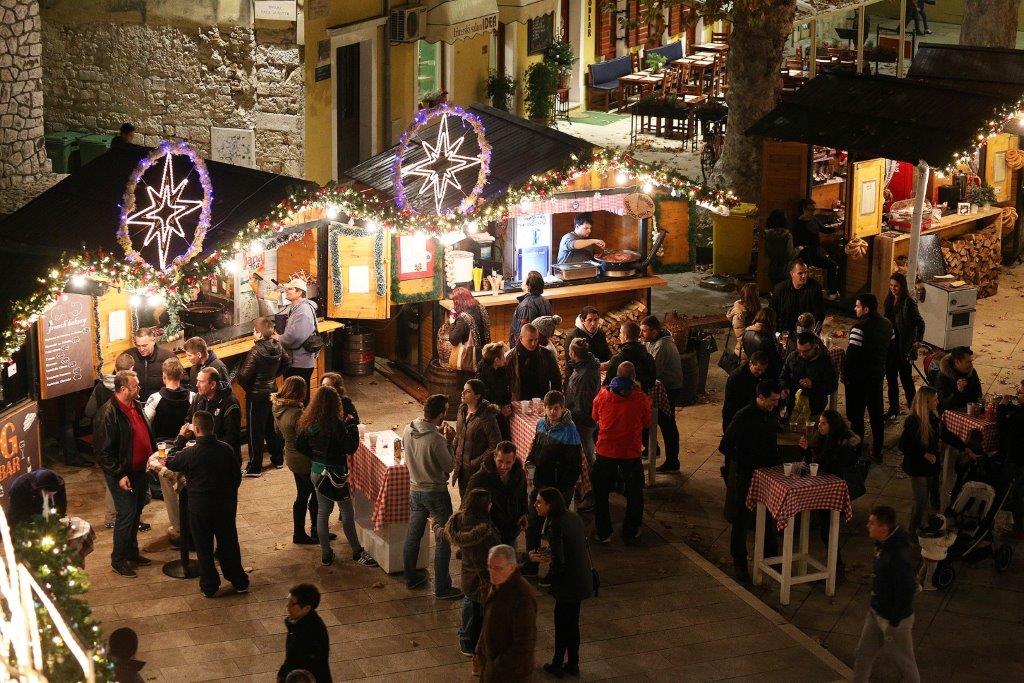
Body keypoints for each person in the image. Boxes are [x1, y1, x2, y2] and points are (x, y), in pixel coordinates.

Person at [165, 410, 248, 597]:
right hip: (225, 505)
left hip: (200, 506)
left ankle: (209, 586)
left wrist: (180, 439)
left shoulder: (190, 454)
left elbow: (170, 461)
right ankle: (239, 581)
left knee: (203, 546)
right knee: (229, 543)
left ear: (196, 429)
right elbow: (236, 477)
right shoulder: (226, 449)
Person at [296, 386, 375, 568]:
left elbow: (299, 444)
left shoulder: (309, 422)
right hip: (336, 474)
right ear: (335, 404)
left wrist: (315, 456)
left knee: (323, 512)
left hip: (317, 472)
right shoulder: (335, 423)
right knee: (347, 511)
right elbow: (350, 447)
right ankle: (357, 551)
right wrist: (352, 427)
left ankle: (326, 554)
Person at [720, 380, 782, 583]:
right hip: (746, 474)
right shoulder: (743, 416)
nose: (775, 404)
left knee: (769, 516)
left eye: (777, 400)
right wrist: (745, 461)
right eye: (772, 400)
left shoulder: (771, 413)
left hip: (767, 473)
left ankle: (771, 556)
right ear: (760, 397)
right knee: (742, 518)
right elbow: (725, 446)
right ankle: (739, 561)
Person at [528, 488, 593, 678]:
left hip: (567, 585)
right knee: (572, 624)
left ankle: (557, 664)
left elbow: (559, 560)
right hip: (581, 580)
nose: (535, 505)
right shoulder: (572, 517)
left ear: (550, 505)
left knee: (562, 625)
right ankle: (573, 663)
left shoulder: (555, 524)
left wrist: (549, 581)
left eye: (539, 502)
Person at [402, 394, 461, 599]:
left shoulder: (408, 428)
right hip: (436, 493)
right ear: (441, 415)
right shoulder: (436, 440)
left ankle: (410, 578)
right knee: (443, 538)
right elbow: (450, 465)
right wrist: (450, 442)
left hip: (415, 490)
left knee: (413, 535)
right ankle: (442, 588)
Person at [97, 370, 155, 577]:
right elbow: (104, 452)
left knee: (136, 511)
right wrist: (119, 474)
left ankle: (131, 552)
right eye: (135, 386)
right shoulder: (108, 413)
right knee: (127, 514)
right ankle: (118, 560)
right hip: (123, 474)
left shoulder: (135, 405)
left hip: (140, 470)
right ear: (123, 389)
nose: (139, 388)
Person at [853, 505, 919, 683]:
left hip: (894, 621)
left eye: (872, 523)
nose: (867, 525)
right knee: (862, 656)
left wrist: (894, 620)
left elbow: (907, 590)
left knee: (905, 665)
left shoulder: (898, 556)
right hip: (876, 612)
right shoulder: (882, 545)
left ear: (883, 528)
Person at [591, 362, 652, 545]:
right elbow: (647, 422)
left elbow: (594, 417)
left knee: (601, 493)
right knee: (635, 492)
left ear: (616, 375)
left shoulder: (603, 395)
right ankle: (631, 531)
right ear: (634, 377)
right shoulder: (641, 398)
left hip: (605, 450)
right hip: (630, 452)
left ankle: (603, 532)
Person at [524, 390, 582, 574]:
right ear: (544, 408)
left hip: (558, 490)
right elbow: (535, 447)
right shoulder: (541, 424)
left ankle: (556, 570)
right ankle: (531, 564)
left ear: (563, 408)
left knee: (556, 532)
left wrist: (560, 490)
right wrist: (530, 460)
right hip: (541, 484)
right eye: (549, 408)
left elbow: (574, 466)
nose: (552, 412)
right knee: (532, 524)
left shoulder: (570, 430)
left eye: (556, 408)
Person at [799, 410, 860, 575]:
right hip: (824, 488)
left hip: (835, 490)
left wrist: (809, 452)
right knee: (826, 529)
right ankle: (836, 563)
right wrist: (807, 450)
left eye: (823, 423)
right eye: (820, 422)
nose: (820, 426)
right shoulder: (821, 438)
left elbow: (826, 464)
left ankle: (836, 565)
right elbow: (812, 464)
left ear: (833, 425)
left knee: (829, 529)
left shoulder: (841, 443)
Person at [444, 488, 500, 656]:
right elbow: (499, 553)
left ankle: (467, 639)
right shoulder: (486, 533)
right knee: (477, 614)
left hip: (468, 576)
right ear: (484, 507)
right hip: (482, 579)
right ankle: (471, 644)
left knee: (471, 608)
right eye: (489, 503)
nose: (491, 505)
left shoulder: (459, 521)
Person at [88, 352, 136, 531]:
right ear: (132, 369)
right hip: (121, 441)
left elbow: (88, 411)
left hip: (104, 439)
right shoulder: (129, 389)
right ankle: (114, 518)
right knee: (117, 478)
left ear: (115, 368)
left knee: (115, 479)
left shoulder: (101, 387)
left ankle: (119, 516)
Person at [236, 316, 289, 476]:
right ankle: (278, 459)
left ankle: (254, 467)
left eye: (254, 331)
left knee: (255, 431)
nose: (253, 333)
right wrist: (272, 376)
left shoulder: (255, 352)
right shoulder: (278, 346)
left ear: (259, 333)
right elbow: (287, 363)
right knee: (270, 428)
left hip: (256, 396)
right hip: (272, 391)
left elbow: (242, 377)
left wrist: (250, 387)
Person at [477, 544, 537, 681]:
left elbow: (524, 644)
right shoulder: (497, 585)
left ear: (512, 567)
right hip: (492, 666)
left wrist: (497, 667)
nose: (492, 573)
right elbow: (488, 620)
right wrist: (481, 647)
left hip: (509, 673)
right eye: (490, 567)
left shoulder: (522, 597)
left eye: (498, 568)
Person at [844, 293, 893, 462]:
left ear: (866, 309)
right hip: (876, 377)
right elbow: (891, 349)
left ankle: (857, 450)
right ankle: (877, 451)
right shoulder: (887, 324)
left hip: (858, 379)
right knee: (876, 415)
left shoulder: (859, 328)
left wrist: (846, 376)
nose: (855, 309)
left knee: (856, 416)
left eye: (857, 306)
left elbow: (851, 356)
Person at [274, 376, 320, 544]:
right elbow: (307, 437)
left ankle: (301, 532)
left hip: (291, 456)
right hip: (303, 460)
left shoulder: (277, 407)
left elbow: (277, 432)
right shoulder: (297, 413)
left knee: (302, 494)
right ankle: (315, 531)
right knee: (315, 495)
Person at [641, 315, 684, 472]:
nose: (641, 334)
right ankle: (652, 448)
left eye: (644, 331)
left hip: (670, 387)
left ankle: (672, 461)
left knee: (667, 424)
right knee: (648, 417)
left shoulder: (662, 346)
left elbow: (653, 372)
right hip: (663, 385)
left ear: (654, 331)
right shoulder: (652, 340)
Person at [466, 442, 528, 547]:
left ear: (514, 460)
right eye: (500, 461)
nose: (503, 466)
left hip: (511, 532)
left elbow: (523, 496)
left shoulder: (520, 474)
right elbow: (467, 506)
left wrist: (524, 513)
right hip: (489, 535)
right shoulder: (479, 478)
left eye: (508, 462)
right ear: (494, 457)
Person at [899, 387, 942, 534]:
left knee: (924, 500)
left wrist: (964, 447)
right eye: (935, 399)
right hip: (917, 467)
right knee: (921, 501)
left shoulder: (933, 417)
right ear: (926, 402)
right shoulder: (913, 421)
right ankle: (912, 532)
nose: (938, 402)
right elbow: (904, 445)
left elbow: (944, 435)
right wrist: (924, 454)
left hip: (929, 467)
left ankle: (921, 527)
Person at [884, 273, 924, 419]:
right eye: (891, 285)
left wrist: (918, 340)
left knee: (906, 380)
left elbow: (920, 322)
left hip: (904, 346)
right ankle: (893, 409)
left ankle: (914, 411)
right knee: (891, 379)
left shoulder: (908, 302)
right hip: (891, 346)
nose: (893, 288)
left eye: (896, 286)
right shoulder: (889, 299)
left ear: (902, 286)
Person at [452, 379, 502, 495]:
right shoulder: (462, 409)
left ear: (477, 396)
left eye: (468, 391)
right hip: (461, 468)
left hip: (476, 471)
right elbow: (458, 435)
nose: (463, 393)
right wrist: (452, 453)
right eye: (463, 390)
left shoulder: (487, 416)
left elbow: (495, 445)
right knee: (464, 499)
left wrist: (474, 463)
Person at [278, 583, 332, 683]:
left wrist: (283, 676)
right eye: (288, 601)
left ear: (306, 608)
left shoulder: (310, 632)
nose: (287, 606)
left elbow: (304, 664)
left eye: (292, 604)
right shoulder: (297, 623)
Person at [186, 367, 242, 462]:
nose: (197, 385)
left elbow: (231, 438)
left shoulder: (230, 404)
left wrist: (204, 446)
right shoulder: (198, 397)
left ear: (212, 385)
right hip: (201, 453)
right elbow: (189, 419)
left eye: (201, 382)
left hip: (223, 458)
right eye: (197, 381)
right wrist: (187, 431)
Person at [274, 278, 319, 396]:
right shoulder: (298, 308)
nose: (286, 291)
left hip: (299, 363)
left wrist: (279, 338)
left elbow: (295, 337)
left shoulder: (303, 311)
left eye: (290, 289)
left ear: (299, 292)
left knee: (297, 397)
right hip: (298, 361)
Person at [780, 331, 838, 417]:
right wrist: (784, 387)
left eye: (806, 351)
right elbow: (783, 376)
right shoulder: (793, 357)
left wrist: (813, 384)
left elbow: (832, 386)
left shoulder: (825, 361)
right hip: (792, 408)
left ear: (814, 346)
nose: (802, 354)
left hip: (814, 410)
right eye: (799, 350)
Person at [792, 198, 840, 299]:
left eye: (814, 209)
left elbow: (824, 229)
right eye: (810, 209)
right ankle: (829, 293)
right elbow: (796, 243)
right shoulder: (798, 224)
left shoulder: (814, 219)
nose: (813, 212)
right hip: (807, 254)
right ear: (803, 209)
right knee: (831, 265)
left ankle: (831, 292)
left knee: (832, 265)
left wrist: (838, 227)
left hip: (817, 251)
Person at [565, 338, 602, 464]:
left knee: (587, 451)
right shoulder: (588, 365)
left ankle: (592, 473)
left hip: (583, 420)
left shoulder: (584, 374)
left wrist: (570, 415)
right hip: (588, 415)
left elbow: (582, 402)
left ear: (573, 353)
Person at [507, 323, 562, 401]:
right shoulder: (511, 357)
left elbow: (556, 379)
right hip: (520, 402)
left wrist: (554, 400)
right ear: (521, 338)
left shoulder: (547, 354)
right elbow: (506, 383)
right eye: (530, 340)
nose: (533, 344)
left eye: (536, 340)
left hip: (542, 400)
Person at [997, 381, 1024, 538]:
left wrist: (1001, 406)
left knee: (1016, 494)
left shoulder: (1019, 417)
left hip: (1018, 458)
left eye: (1020, 392)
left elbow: (1002, 428)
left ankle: (1019, 529)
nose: (1017, 394)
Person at [143, 358, 194, 441]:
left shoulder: (154, 398)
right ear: (181, 375)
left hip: (162, 445)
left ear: (164, 376)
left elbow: (145, 423)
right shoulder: (192, 397)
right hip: (186, 444)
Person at [771, 259, 826, 335]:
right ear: (792, 274)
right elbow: (772, 313)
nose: (804, 276)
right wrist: (776, 334)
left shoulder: (815, 287)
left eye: (806, 272)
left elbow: (820, 314)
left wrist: (814, 334)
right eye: (800, 273)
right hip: (784, 331)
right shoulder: (780, 289)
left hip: (806, 331)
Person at [722, 352, 768, 432]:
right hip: (735, 415)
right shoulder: (736, 377)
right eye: (757, 369)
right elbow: (732, 403)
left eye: (762, 370)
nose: (760, 373)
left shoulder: (759, 374)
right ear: (750, 363)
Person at [603, 321, 656, 392]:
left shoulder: (617, 359)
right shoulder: (649, 357)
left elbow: (607, 385)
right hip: (642, 396)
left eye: (620, 333)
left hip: (621, 398)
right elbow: (652, 383)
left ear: (626, 337)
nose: (619, 336)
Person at [475, 342, 513, 439]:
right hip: (488, 420)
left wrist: (507, 405)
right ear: (496, 360)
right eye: (503, 356)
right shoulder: (481, 377)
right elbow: (483, 402)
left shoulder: (501, 371)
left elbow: (506, 391)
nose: (505, 359)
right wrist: (500, 409)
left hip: (501, 415)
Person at [126, 327, 174, 401]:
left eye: (144, 345)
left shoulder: (168, 357)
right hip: (136, 403)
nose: (141, 349)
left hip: (160, 402)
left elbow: (182, 382)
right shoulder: (128, 356)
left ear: (153, 341)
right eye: (138, 346)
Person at [449, 286, 492, 367]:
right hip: (485, 355)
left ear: (458, 302)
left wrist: (452, 322)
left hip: (471, 361)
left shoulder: (464, 318)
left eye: (454, 301)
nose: (452, 304)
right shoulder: (481, 308)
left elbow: (453, 340)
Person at [563, 306, 611, 374]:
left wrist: (609, 362)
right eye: (590, 320)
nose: (593, 324)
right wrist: (597, 367)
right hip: (579, 376)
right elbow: (571, 364)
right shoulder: (572, 337)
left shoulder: (600, 333)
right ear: (582, 321)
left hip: (599, 373)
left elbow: (606, 353)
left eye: (596, 319)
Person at [509, 270, 553, 345]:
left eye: (524, 280)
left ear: (528, 286)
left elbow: (523, 335)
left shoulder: (526, 306)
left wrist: (517, 349)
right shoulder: (545, 301)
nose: (522, 282)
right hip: (540, 347)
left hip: (528, 349)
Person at [936, 346, 982, 412]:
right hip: (950, 412)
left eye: (971, 361)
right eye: (967, 362)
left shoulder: (971, 372)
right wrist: (958, 391)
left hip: (969, 410)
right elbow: (944, 403)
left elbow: (978, 394)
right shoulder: (943, 376)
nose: (971, 365)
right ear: (957, 362)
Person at [741, 308, 783, 380]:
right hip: (764, 373)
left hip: (752, 367)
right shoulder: (766, 339)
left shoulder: (747, 331)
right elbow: (775, 360)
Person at [917, 514, 956, 591]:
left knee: (924, 567)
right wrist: (953, 534)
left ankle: (918, 580)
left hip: (925, 554)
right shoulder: (938, 538)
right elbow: (948, 543)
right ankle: (927, 584)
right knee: (931, 571)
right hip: (934, 557)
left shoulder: (923, 534)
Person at [763, 209, 799, 287]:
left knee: (775, 290)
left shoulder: (768, 235)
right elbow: (789, 255)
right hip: (784, 270)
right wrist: (798, 249)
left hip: (772, 268)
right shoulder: (787, 236)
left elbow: (767, 252)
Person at [727, 282, 763, 355]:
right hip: (745, 351)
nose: (759, 295)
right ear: (753, 296)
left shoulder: (755, 309)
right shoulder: (739, 314)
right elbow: (741, 337)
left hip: (755, 347)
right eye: (757, 293)